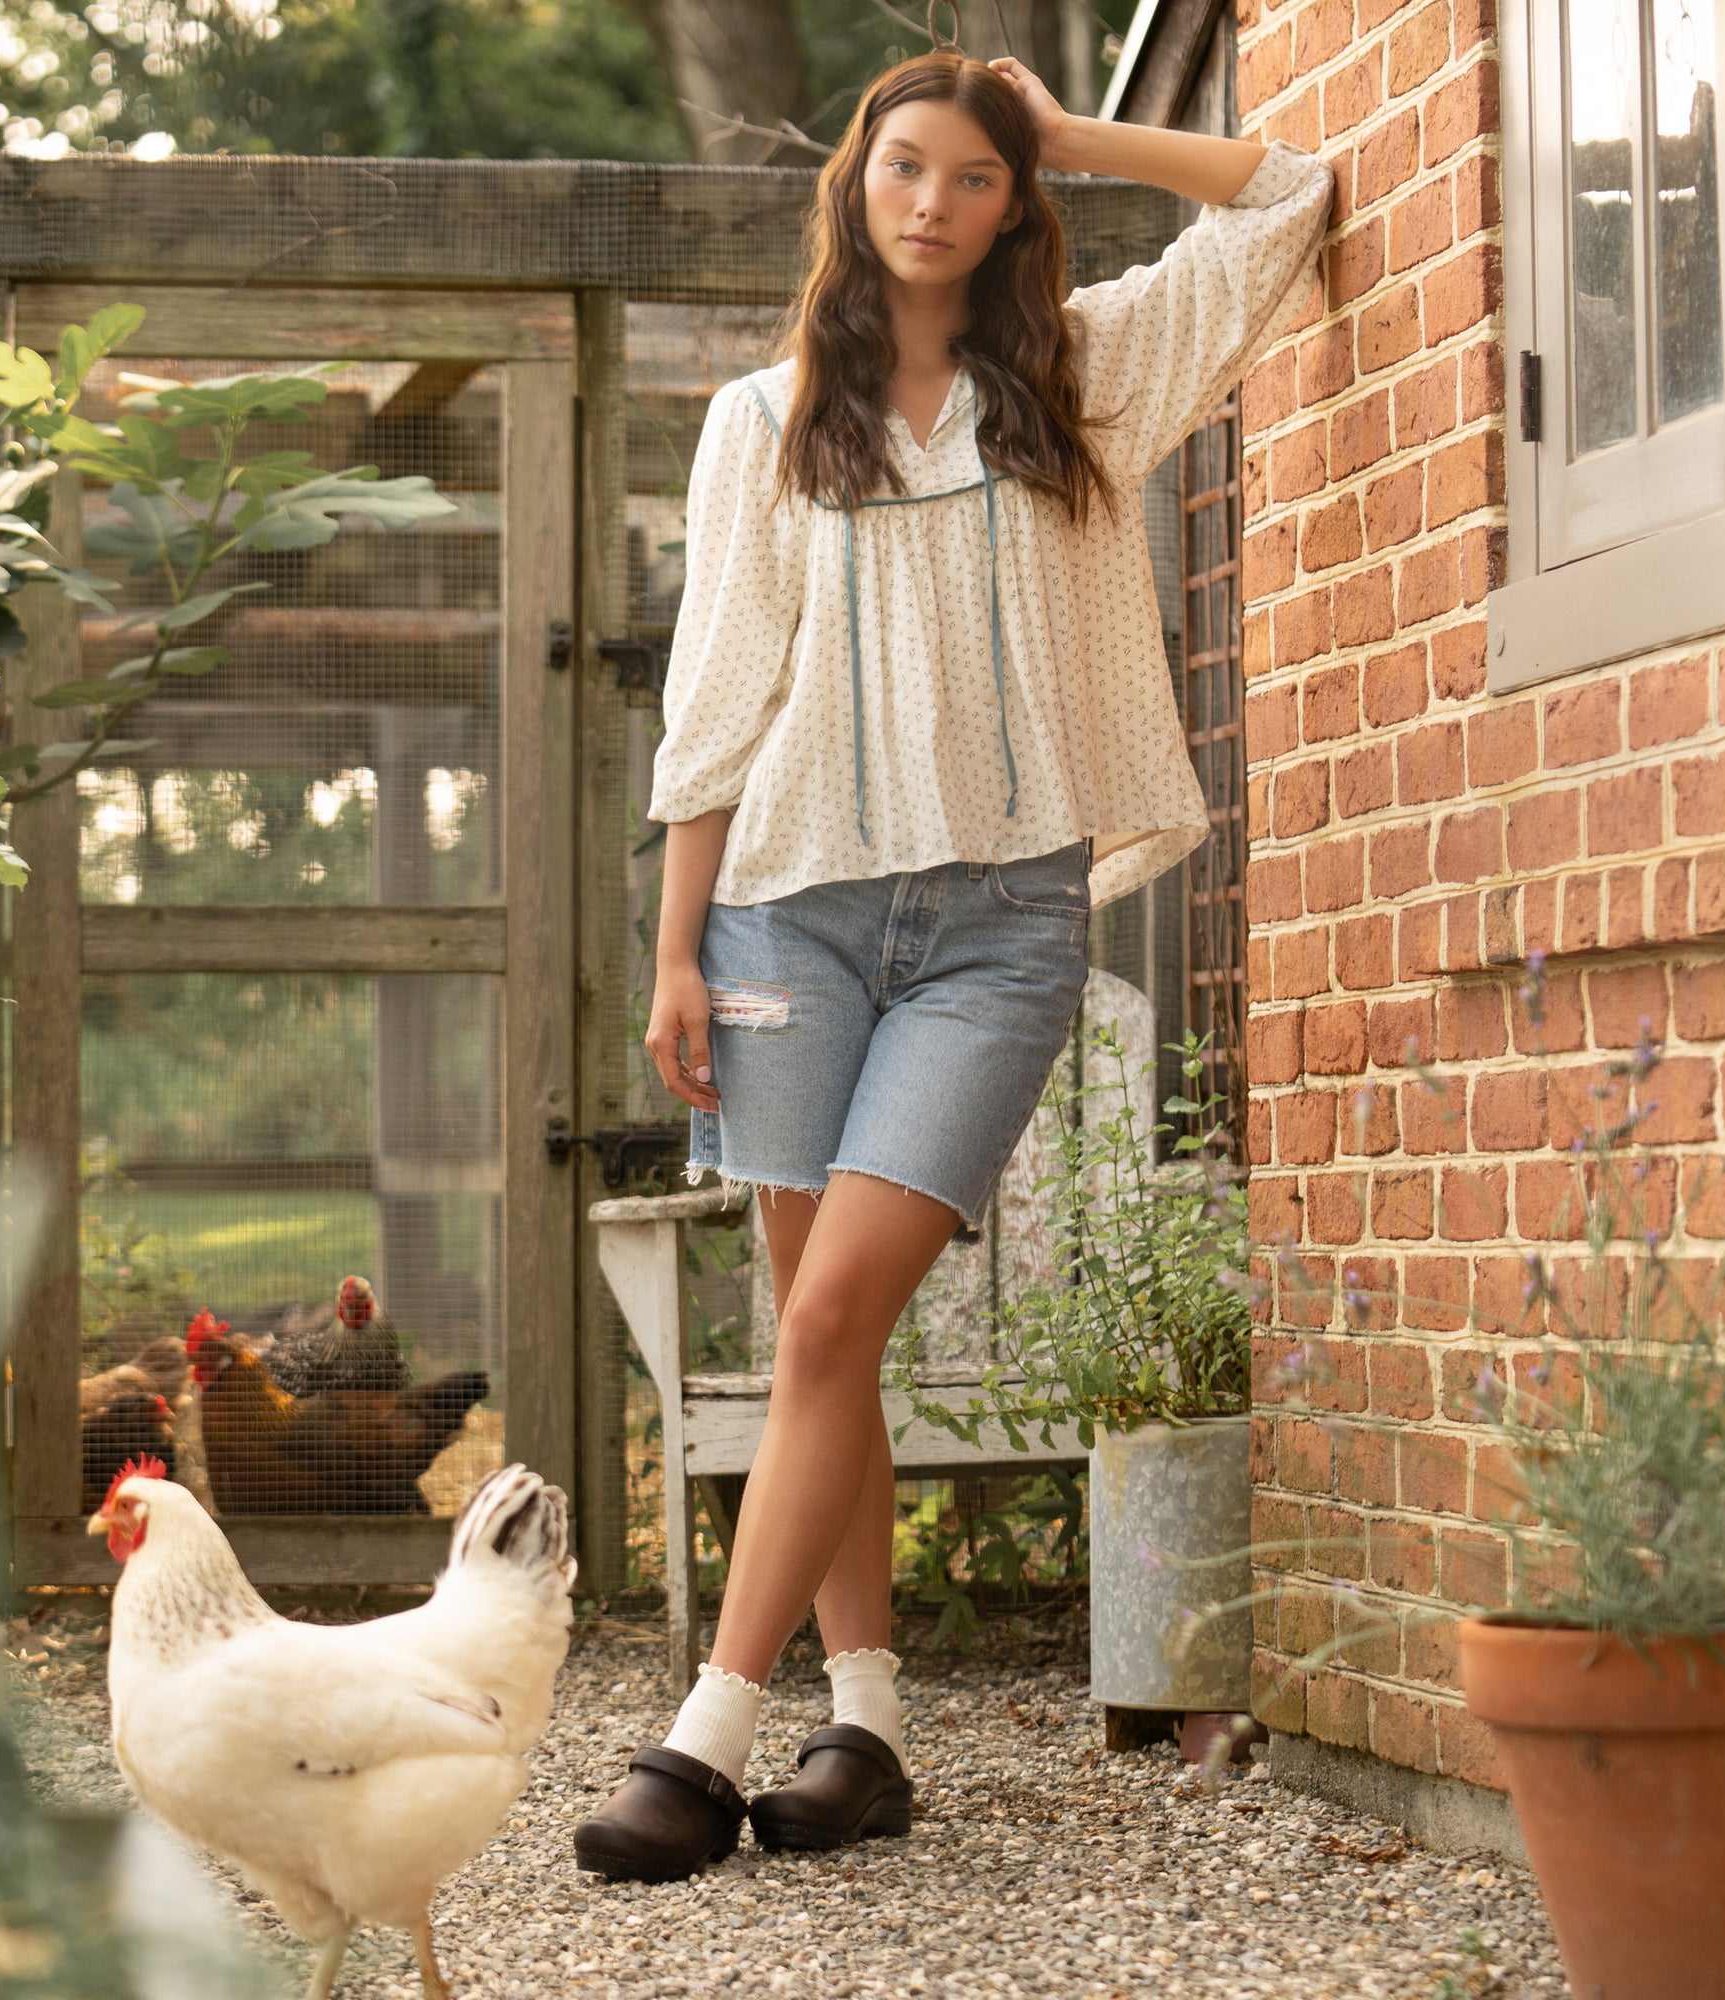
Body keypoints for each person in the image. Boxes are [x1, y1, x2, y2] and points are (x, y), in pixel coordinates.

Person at [573, 46, 1331, 1883]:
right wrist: (675, 953)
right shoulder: (762, 422)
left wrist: (1071, 130)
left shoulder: (1082, 370)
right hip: (784, 918)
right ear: (856, 185)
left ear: (1011, 205)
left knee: (833, 1323)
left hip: (995, 932)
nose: (933, 199)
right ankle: (871, 1729)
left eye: (975, 176)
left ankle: (704, 1733)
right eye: (904, 166)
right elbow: (717, 702)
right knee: (824, 1342)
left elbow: (1291, 199)